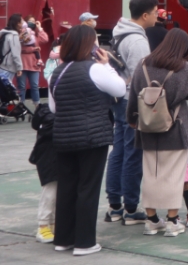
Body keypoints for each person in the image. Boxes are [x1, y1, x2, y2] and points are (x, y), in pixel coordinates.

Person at [127, 29, 188, 237]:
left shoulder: (144, 64)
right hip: (176, 131)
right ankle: (172, 221)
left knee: (151, 175)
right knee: (173, 176)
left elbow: (134, 95)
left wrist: (132, 120)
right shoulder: (183, 69)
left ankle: (152, 220)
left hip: (147, 129)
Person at [48, 25, 126, 256]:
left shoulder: (58, 72)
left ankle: (63, 239)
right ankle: (84, 242)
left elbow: (54, 107)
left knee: (67, 187)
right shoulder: (95, 69)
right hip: (92, 137)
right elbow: (120, 89)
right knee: (87, 188)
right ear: (89, 46)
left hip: (63, 137)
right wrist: (107, 65)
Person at [106, 0, 158, 225]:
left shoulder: (120, 33)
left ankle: (115, 205)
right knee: (132, 153)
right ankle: (130, 208)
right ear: (145, 15)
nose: (158, 16)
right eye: (156, 12)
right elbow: (142, 77)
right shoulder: (138, 41)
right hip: (132, 102)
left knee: (118, 151)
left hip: (119, 99)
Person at [29, 101, 57, 243]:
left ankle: (52, 224)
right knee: (50, 192)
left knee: (56, 192)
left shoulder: (45, 113)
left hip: (49, 157)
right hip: (49, 158)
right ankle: (43, 225)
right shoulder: (52, 117)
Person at [18, 15, 48, 108]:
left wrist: (40, 28)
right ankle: (21, 105)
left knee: (35, 86)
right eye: (30, 21)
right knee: (21, 87)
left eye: (34, 21)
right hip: (22, 63)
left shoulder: (35, 35)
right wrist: (33, 49)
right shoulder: (21, 34)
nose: (32, 23)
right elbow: (20, 48)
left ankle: (37, 105)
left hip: (34, 63)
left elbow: (45, 39)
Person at [0, 15, 24, 88]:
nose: (23, 23)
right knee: (5, 90)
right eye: (22, 21)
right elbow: (15, 53)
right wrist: (19, 68)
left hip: (2, 64)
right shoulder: (14, 35)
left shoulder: (5, 33)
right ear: (18, 23)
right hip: (8, 67)